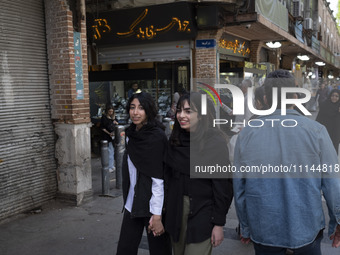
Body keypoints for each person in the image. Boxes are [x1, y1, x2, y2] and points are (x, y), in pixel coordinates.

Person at [233, 69, 340, 255]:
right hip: (307, 225)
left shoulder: (246, 135)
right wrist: (337, 220)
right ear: (296, 96)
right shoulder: (317, 131)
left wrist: (245, 226)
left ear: (265, 98)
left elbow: (239, 187)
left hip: (264, 227)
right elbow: (332, 183)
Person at [165, 92, 233, 255]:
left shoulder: (215, 143)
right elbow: (166, 179)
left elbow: (222, 187)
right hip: (176, 210)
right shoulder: (175, 141)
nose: (181, 115)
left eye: (188, 111)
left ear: (201, 115)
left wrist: (218, 224)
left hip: (203, 211)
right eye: (179, 110)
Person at [116, 92, 171, 255]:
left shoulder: (156, 137)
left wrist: (157, 214)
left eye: (140, 108)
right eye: (132, 107)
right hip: (133, 202)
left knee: (159, 250)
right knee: (125, 249)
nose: (135, 112)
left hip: (153, 205)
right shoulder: (131, 135)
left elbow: (158, 179)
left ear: (148, 110)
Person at [316, 89, 340, 154]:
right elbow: (318, 119)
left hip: (335, 134)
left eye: (337, 96)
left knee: (334, 151)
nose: (334, 97)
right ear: (330, 96)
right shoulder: (324, 105)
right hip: (325, 132)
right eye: (332, 95)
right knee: (323, 151)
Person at [100, 103, 118, 172]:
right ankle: (108, 167)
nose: (111, 113)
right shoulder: (104, 118)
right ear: (107, 111)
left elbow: (117, 124)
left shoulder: (113, 117)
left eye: (112, 111)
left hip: (112, 136)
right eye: (109, 111)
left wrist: (114, 121)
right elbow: (103, 127)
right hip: (106, 136)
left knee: (112, 151)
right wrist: (109, 133)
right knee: (108, 151)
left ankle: (111, 165)